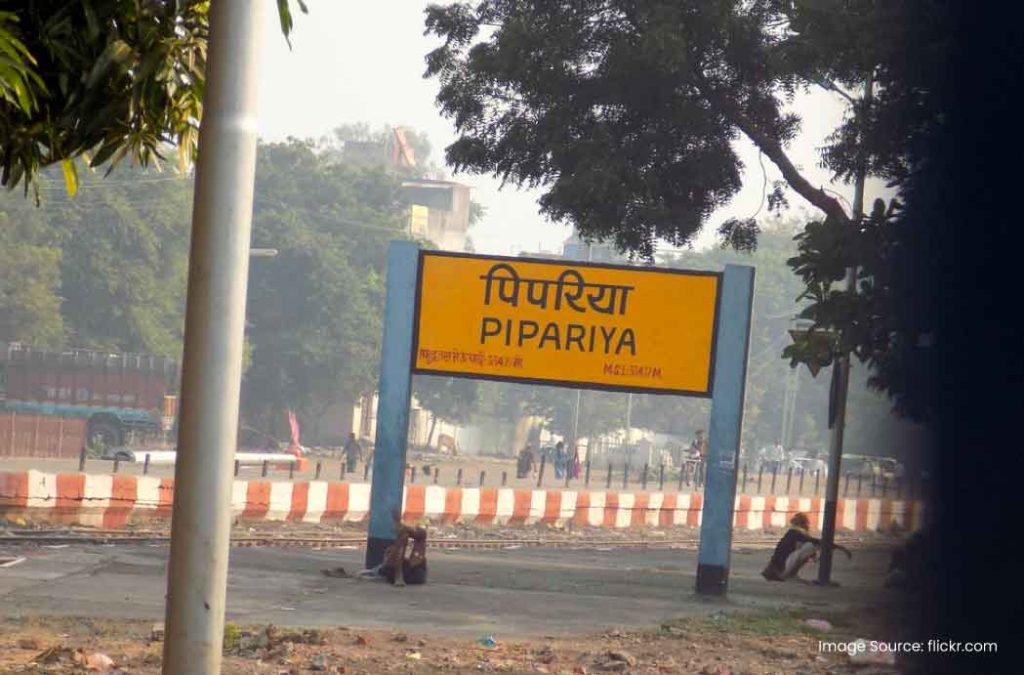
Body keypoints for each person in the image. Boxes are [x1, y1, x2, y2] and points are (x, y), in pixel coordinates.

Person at [762, 512, 852, 582]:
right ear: (803, 523)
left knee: (809, 546)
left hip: (777, 568)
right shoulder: (796, 533)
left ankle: (789, 574)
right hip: (779, 569)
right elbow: (816, 542)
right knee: (810, 547)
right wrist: (840, 548)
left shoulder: (792, 532)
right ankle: (789, 575)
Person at [355, 523, 428, 586]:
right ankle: (398, 574)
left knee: (415, 534)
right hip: (402, 571)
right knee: (406, 536)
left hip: (411, 571)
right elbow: (368, 573)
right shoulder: (384, 567)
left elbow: (366, 573)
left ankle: (405, 530)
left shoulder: (389, 560)